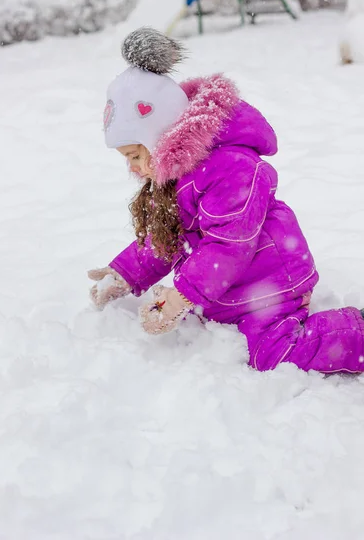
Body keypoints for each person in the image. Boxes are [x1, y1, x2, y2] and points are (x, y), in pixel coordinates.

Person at [88, 27, 364, 373]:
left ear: (158, 137)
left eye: (133, 154)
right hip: (234, 286)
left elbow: (229, 245)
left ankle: (356, 334)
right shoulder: (171, 177)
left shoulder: (230, 168)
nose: (131, 166)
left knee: (271, 352)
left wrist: (182, 296)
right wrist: (125, 273)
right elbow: (167, 238)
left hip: (270, 281)